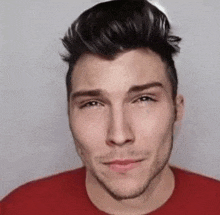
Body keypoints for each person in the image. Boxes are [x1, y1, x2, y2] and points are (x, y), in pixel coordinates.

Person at [1, 0, 220, 214]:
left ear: (177, 109)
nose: (119, 135)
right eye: (92, 104)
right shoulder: (18, 209)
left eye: (143, 99)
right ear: (69, 114)